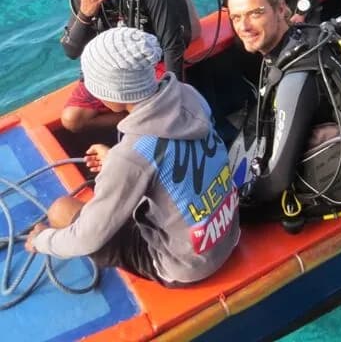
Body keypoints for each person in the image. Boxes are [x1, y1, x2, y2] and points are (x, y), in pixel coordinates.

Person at [26, 27, 240, 286]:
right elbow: (169, 160)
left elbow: (87, 238)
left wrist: (41, 240)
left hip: (185, 266)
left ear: (111, 93)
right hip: (227, 232)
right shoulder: (188, 95)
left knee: (62, 211)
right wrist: (117, 161)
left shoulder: (130, 158)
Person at [224, 0, 341, 215]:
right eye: (236, 17)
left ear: (281, 9)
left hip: (330, 184)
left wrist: (233, 207)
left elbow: (276, 182)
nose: (243, 27)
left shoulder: (296, 75)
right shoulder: (300, 37)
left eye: (255, 13)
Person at [61, 0, 192, 132]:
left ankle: (139, 116)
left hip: (150, 61)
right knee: (71, 119)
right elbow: (71, 51)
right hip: (114, 65)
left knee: (159, 113)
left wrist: (175, 97)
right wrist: (85, 15)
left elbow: (172, 44)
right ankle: (134, 118)